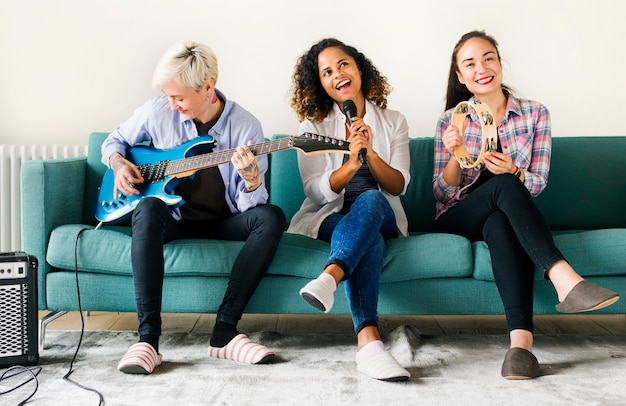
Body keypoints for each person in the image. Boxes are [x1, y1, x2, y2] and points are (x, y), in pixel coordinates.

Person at [432, 30, 620, 380]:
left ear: (500, 63)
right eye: (470, 64)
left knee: (501, 222)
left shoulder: (535, 114)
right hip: (460, 215)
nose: (482, 68)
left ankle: (520, 349)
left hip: (503, 213)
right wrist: (455, 156)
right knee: (503, 187)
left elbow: (537, 182)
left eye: (489, 58)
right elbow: (442, 195)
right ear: (460, 76)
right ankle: (564, 278)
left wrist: (516, 171)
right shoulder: (451, 120)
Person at [101, 41, 286, 374]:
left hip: (224, 220)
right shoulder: (157, 110)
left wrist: (252, 179)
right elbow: (113, 141)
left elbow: (250, 206)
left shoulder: (246, 127)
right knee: (146, 208)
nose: (171, 106)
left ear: (208, 87)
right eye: (168, 96)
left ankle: (225, 332)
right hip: (174, 217)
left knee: (271, 217)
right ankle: (147, 339)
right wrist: (117, 164)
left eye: (179, 97)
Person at [288, 38, 411, 382]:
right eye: (327, 72)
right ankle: (369, 345)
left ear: (358, 68)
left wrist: (369, 153)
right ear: (320, 84)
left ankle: (329, 277)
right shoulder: (311, 129)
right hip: (330, 216)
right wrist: (351, 165)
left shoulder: (394, 121)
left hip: (382, 211)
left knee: (372, 200)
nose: (337, 75)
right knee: (366, 240)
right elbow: (314, 190)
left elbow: (399, 185)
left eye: (343, 64)